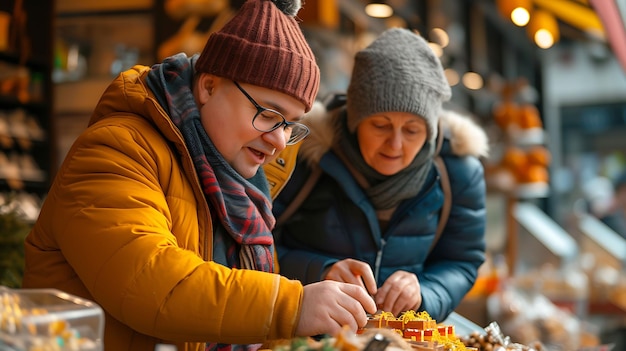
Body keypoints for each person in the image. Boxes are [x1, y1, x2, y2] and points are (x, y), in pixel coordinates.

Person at [21, 1, 376, 350]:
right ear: (208, 87)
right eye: (269, 114)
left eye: (290, 125)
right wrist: (292, 305)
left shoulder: (242, 178)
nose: (280, 141)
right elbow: (151, 285)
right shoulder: (115, 149)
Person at [266, 28, 489, 322]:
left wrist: (425, 291)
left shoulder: (459, 173)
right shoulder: (302, 156)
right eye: (381, 126)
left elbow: (462, 260)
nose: (395, 144)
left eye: (412, 130)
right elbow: (253, 244)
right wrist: (320, 271)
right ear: (355, 120)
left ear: (431, 131)